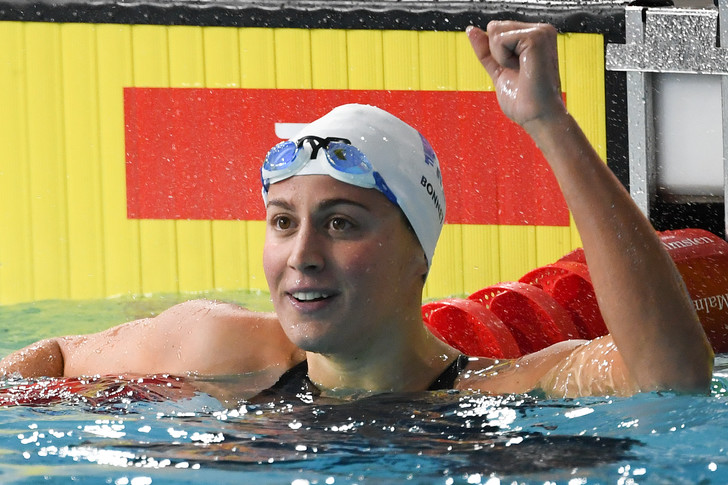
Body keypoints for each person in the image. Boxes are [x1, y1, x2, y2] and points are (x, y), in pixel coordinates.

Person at [0, 21, 714, 401]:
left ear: (417, 252)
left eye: (341, 222)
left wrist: (550, 125)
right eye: (284, 221)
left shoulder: (504, 389)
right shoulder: (221, 351)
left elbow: (669, 378)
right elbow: (54, 355)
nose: (301, 254)